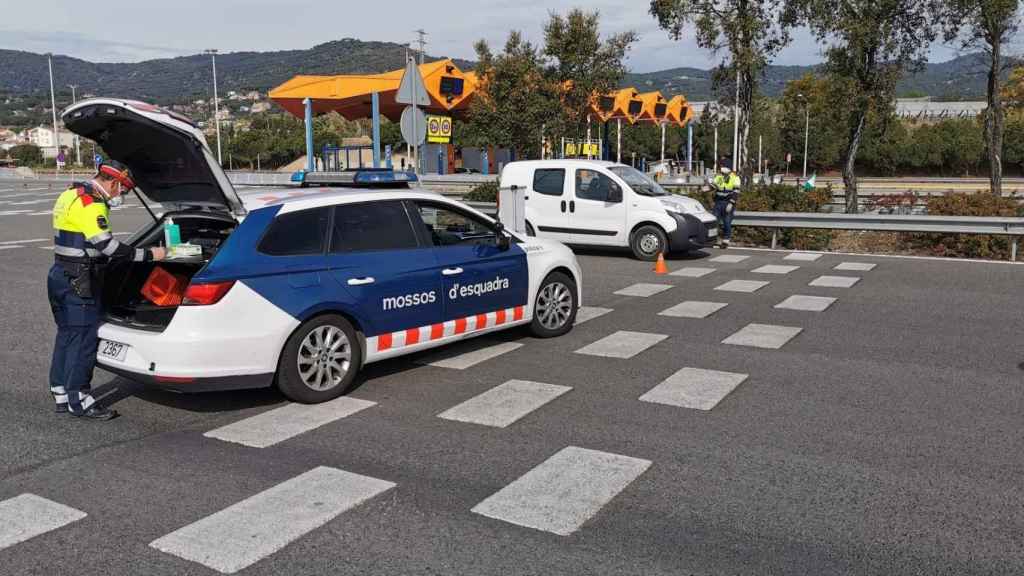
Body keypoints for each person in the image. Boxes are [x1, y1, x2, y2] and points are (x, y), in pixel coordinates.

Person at [48, 160, 166, 420]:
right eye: (122, 190)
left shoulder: (70, 193)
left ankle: (60, 392)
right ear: (113, 182)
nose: (120, 195)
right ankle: (79, 399)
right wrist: (150, 254)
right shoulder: (93, 204)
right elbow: (107, 247)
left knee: (67, 336)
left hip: (60, 274)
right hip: (80, 280)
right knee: (84, 339)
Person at [711, 159, 741, 248]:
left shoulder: (735, 177)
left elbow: (736, 192)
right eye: (721, 166)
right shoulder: (719, 176)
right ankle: (713, 239)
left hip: (728, 202)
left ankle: (725, 241)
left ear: (728, 167)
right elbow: (713, 186)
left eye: (723, 166)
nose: (721, 168)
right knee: (714, 221)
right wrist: (705, 188)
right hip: (718, 202)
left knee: (727, 222)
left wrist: (731, 203)